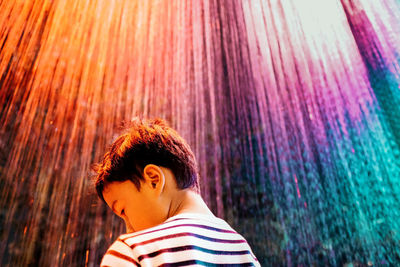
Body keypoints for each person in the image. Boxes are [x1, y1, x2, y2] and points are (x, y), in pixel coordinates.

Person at [92, 117, 260, 266]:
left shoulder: (132, 252)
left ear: (153, 180)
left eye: (123, 210)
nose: (129, 228)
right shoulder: (243, 250)